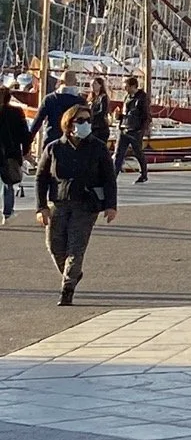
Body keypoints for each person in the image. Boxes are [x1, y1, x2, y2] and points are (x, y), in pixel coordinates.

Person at [36, 105, 117, 305]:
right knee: (55, 246)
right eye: (80, 120)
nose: (85, 124)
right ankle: (73, 273)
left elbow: (109, 178)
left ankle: (67, 289)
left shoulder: (98, 147)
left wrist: (111, 205)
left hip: (86, 205)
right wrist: (41, 207)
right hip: (59, 203)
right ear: (69, 123)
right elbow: (41, 178)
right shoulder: (54, 148)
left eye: (88, 120)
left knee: (75, 248)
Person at [27, 69, 85, 154]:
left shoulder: (49, 99)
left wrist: (27, 143)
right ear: (76, 82)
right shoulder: (81, 102)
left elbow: (37, 121)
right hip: (73, 143)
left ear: (60, 82)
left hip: (51, 141)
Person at [114, 76, 151, 183]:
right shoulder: (127, 97)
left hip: (135, 130)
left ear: (133, 86)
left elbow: (146, 115)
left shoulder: (142, 98)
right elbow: (126, 113)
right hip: (123, 128)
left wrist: (142, 129)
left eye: (126, 86)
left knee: (137, 152)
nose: (124, 88)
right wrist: (119, 116)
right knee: (118, 154)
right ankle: (113, 176)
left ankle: (143, 173)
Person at [0, 85, 28, 222]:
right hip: (11, 153)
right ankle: (7, 212)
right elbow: (25, 134)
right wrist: (26, 151)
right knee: (8, 183)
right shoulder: (17, 112)